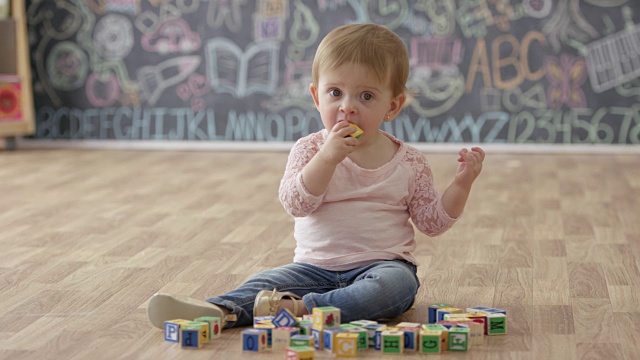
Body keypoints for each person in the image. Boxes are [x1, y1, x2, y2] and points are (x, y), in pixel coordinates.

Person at [147, 23, 485, 330]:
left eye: (366, 96)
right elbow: (296, 203)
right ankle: (217, 310)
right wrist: (327, 159)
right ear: (316, 96)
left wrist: (461, 184)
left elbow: (432, 223)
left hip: (381, 266)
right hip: (312, 270)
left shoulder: (410, 162)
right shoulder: (309, 150)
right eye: (335, 93)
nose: (347, 107)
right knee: (265, 281)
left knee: (395, 289)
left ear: (392, 107)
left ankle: (301, 311)